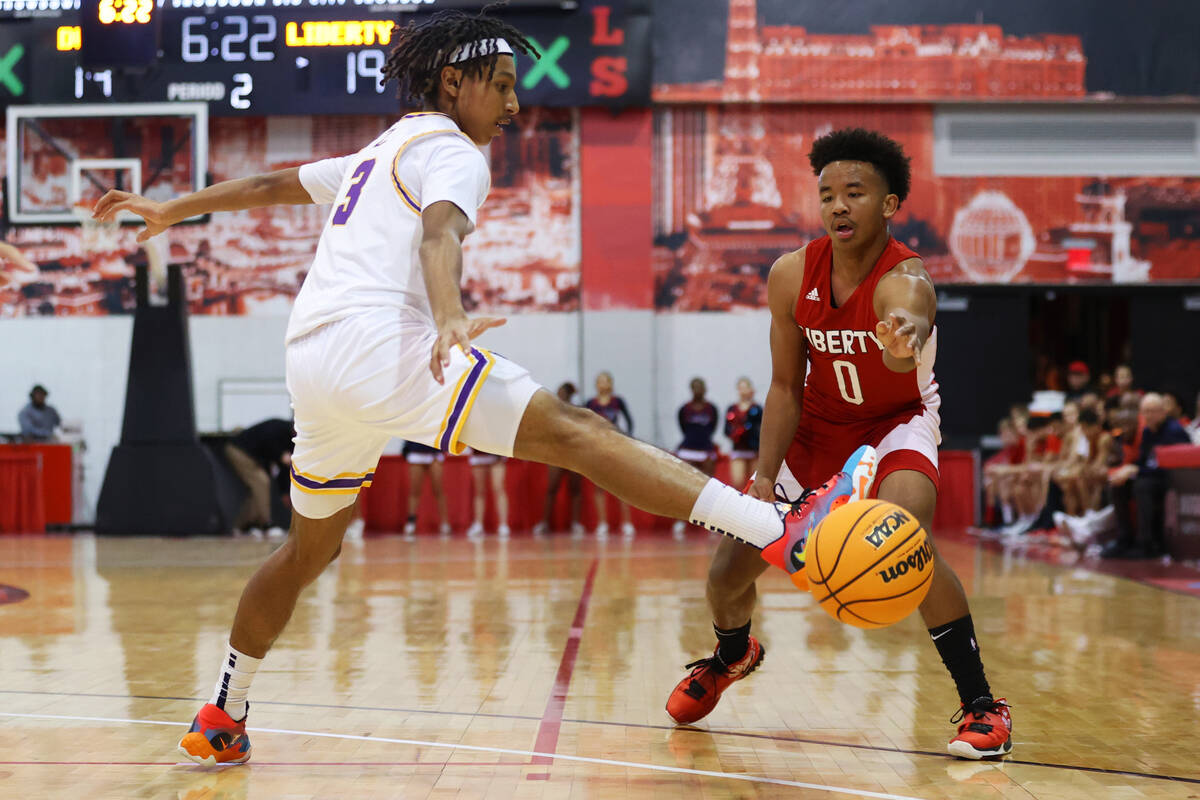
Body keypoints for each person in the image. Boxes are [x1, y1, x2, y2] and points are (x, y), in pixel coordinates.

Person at [93, 10, 867, 766]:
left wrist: (173, 208)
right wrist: (450, 314)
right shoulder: (455, 152)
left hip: (312, 360)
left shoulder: (380, 149)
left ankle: (223, 711)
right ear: (452, 81)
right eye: (499, 84)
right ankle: (774, 527)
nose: (513, 103)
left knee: (306, 549)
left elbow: (268, 185)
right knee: (576, 432)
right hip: (381, 347)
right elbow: (440, 235)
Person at [666, 128, 1011, 760]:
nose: (838, 206)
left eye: (856, 192)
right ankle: (732, 654)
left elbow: (912, 307)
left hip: (894, 428)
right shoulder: (790, 274)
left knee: (906, 539)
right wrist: (765, 478)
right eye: (827, 194)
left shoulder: (903, 277)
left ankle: (983, 706)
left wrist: (905, 332)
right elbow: (782, 387)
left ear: (889, 203)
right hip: (815, 435)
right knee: (724, 574)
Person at [1103, 393, 1192, 558]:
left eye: (1152, 411)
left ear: (1163, 412)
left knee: (1142, 485)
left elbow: (1170, 467)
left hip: (1173, 481)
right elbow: (1144, 462)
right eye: (1145, 412)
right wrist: (1129, 469)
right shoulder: (1148, 432)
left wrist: (1136, 470)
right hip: (1152, 476)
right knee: (1118, 484)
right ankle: (1124, 539)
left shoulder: (1174, 431)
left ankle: (1146, 543)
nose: (1148, 416)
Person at [585, 371, 635, 538]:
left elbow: (629, 421)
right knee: (599, 486)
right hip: (597, 447)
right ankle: (602, 523)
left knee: (622, 485)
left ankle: (627, 523)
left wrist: (626, 438)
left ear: (611, 384)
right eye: (599, 381)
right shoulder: (590, 403)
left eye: (605, 381)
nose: (602, 384)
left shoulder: (618, 402)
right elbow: (583, 423)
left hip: (616, 446)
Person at [225, 417, 294, 536]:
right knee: (261, 482)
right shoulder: (279, 427)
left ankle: (243, 525)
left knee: (257, 489)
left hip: (251, 456)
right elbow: (272, 446)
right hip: (238, 450)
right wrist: (280, 455)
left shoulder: (293, 440)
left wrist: (284, 492)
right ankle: (265, 524)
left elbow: (282, 468)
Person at [533, 381, 584, 536]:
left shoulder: (576, 411)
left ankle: (576, 524)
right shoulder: (552, 410)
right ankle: (545, 523)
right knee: (551, 488)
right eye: (558, 392)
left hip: (574, 454)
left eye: (562, 392)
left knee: (575, 489)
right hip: (556, 454)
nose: (559, 395)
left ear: (569, 394)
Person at [674, 378, 720, 537]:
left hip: (706, 449)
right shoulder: (684, 409)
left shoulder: (711, 409)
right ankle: (680, 520)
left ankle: (711, 522)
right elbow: (682, 427)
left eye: (701, 387)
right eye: (695, 387)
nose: (698, 390)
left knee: (710, 486)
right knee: (683, 485)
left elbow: (713, 427)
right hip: (687, 449)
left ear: (705, 389)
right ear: (691, 389)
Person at [402, 441, 450, 538]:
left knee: (438, 489)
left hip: (434, 452)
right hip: (416, 450)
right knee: (415, 490)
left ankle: (445, 523)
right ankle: (411, 522)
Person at [724, 377, 763, 491]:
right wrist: (734, 435)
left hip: (754, 449)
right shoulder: (732, 408)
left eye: (746, 387)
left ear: (751, 390)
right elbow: (726, 428)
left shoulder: (757, 409)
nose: (743, 391)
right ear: (738, 390)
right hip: (738, 448)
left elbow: (761, 428)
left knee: (755, 482)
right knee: (738, 481)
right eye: (741, 388)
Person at [465, 448, 509, 539]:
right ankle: (478, 524)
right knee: (479, 491)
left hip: (497, 452)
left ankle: (503, 525)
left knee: (498, 487)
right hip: (479, 452)